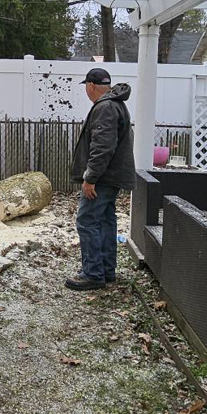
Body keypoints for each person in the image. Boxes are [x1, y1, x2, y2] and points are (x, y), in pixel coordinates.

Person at [66, 68, 136, 291]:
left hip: (103, 178)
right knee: (106, 221)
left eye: (86, 86)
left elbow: (103, 147)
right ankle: (106, 270)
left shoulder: (105, 107)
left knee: (86, 221)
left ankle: (93, 274)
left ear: (91, 86)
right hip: (113, 176)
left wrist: (90, 178)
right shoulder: (115, 104)